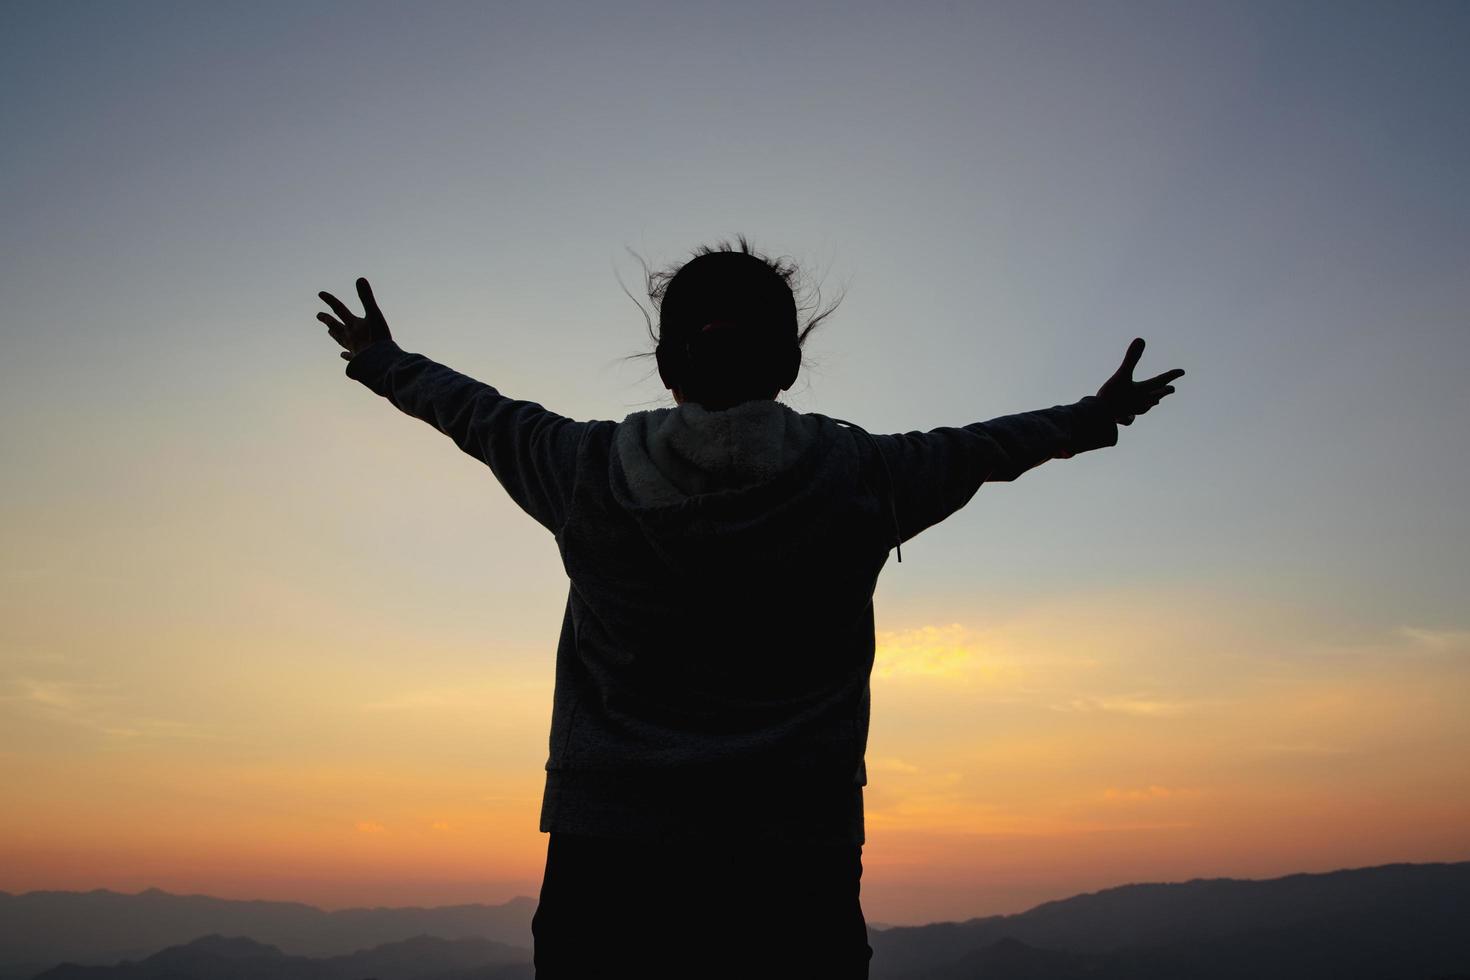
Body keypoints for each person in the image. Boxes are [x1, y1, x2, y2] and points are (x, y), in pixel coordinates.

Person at [315, 237, 1183, 979]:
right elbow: (993, 448)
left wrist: (383, 360)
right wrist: (1098, 413)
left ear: (665, 365)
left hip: (608, 870)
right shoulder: (864, 478)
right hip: (795, 871)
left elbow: (477, 414)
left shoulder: (582, 469)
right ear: (791, 360)